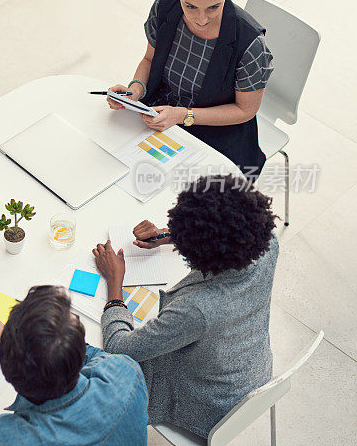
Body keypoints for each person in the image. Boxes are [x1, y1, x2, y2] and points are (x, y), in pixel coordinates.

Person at [93, 174, 278, 438]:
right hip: (249, 366)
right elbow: (226, 233)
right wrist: (169, 236)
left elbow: (119, 348)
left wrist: (114, 284)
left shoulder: (198, 309)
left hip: (206, 404)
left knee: (93, 368)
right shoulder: (267, 243)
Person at [107, 0, 273, 177]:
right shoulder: (166, 6)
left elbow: (245, 110)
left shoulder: (249, 43)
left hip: (215, 138)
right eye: (191, 6)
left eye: (214, 7)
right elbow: (148, 60)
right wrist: (135, 91)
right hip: (160, 119)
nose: (202, 19)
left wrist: (183, 115)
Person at [0, 285, 148, 446]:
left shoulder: (6, 437)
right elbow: (87, 353)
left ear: (9, 374)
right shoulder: (126, 372)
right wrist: (16, 342)